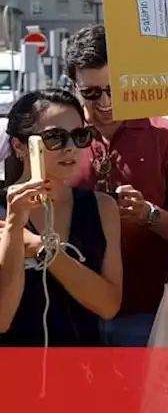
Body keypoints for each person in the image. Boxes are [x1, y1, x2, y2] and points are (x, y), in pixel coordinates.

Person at [62, 25, 168, 347]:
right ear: (74, 87)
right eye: (92, 93)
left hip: (148, 309)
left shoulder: (167, 136)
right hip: (72, 309)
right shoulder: (60, 137)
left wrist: (149, 216)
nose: (106, 102)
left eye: (115, 89)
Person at [0, 89, 121, 346]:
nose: (70, 148)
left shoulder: (101, 207)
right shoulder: (6, 212)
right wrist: (13, 227)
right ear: (21, 146)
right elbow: (2, 317)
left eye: (79, 136)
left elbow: (108, 305)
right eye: (55, 138)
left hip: (82, 372)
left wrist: (44, 250)